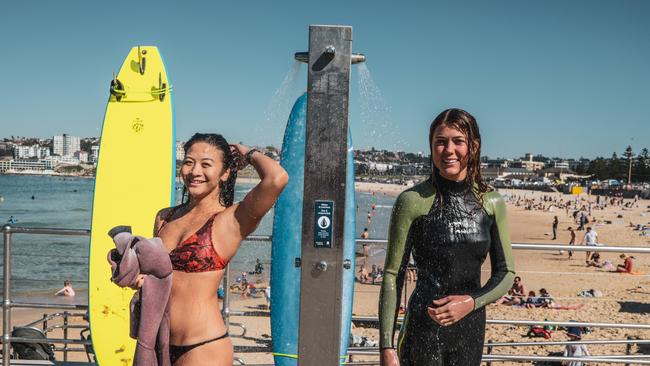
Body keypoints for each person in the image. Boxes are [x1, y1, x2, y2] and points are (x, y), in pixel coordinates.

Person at [379, 109, 515, 366]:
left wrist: (470, 302)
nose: (448, 149)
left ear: (473, 147)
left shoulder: (491, 202)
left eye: (458, 141)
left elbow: (506, 272)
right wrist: (386, 346)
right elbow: (392, 274)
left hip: (471, 329)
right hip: (423, 329)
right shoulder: (412, 201)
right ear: (431, 147)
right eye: (440, 142)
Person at [151, 133, 287, 365]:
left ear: (225, 173)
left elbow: (276, 178)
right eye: (189, 162)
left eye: (206, 164)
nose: (194, 171)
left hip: (203, 347)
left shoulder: (231, 220)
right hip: (159, 343)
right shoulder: (165, 217)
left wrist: (248, 153)